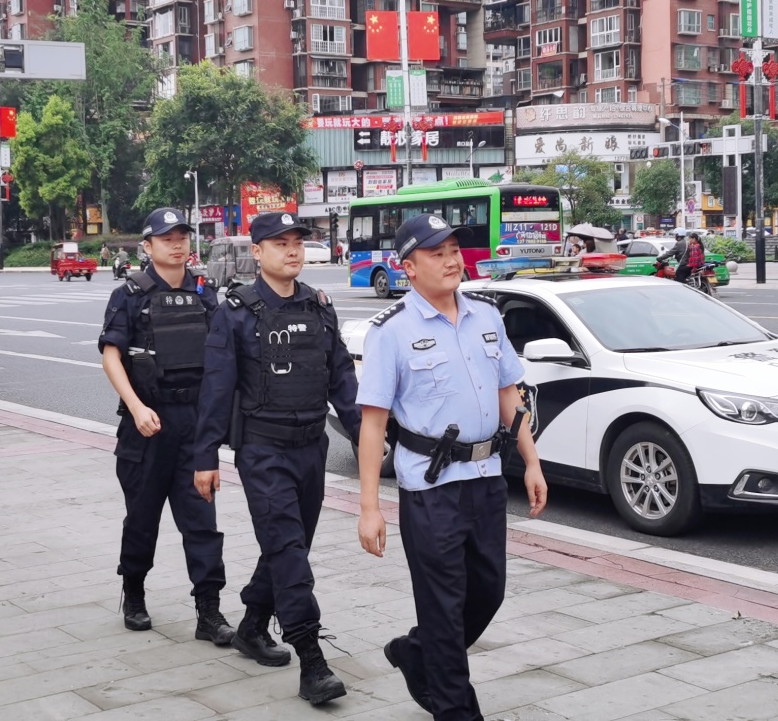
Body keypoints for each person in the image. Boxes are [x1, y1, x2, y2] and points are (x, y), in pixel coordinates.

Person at [355, 213, 547, 720]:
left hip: (486, 479)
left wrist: (531, 461)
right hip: (430, 487)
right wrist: (369, 508)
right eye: (436, 253)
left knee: (488, 591)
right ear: (409, 267)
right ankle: (456, 708)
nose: (451, 260)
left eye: (454, 250)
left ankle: (418, 652)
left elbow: (509, 393)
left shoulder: (486, 316)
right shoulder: (391, 332)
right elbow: (372, 424)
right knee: (442, 607)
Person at [194, 211, 361, 707]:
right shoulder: (236, 312)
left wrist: (370, 439)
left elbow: (342, 382)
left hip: (311, 448)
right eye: (280, 243)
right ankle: (312, 660)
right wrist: (205, 456)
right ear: (258, 252)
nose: (292, 250)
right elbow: (216, 389)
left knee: (289, 546)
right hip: (263, 451)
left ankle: (251, 625)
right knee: (289, 550)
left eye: (298, 243)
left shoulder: (319, 307)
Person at [98, 208, 233, 645]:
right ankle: (134, 593)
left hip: (194, 427)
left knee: (202, 522)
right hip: (147, 426)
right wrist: (136, 407)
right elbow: (112, 356)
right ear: (148, 246)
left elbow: (223, 361)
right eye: (166, 238)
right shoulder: (129, 295)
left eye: (182, 237)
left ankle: (209, 612)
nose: (177, 245)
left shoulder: (206, 294)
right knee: (142, 518)